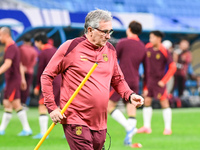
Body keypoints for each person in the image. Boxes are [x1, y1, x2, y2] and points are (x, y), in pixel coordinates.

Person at [41, 9, 144, 150]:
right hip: (75, 119)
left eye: (110, 32)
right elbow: (47, 76)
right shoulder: (71, 47)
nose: (108, 36)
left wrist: (130, 95)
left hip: (100, 123)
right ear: (90, 30)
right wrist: (52, 108)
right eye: (105, 32)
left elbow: (118, 79)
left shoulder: (110, 50)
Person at [107, 21, 148, 146]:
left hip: (121, 80)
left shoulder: (123, 43)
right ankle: (129, 140)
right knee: (131, 109)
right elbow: (147, 69)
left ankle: (129, 128)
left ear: (129, 29)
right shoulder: (142, 46)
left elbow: (113, 59)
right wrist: (145, 86)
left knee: (108, 106)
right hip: (135, 80)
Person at [137, 31, 177, 135]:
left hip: (159, 81)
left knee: (164, 102)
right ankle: (147, 127)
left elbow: (173, 67)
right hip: (149, 80)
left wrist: (164, 81)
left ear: (159, 39)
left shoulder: (164, 51)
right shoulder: (147, 47)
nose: (150, 39)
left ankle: (168, 128)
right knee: (147, 101)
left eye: (152, 37)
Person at [0, 27, 32, 136]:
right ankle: (2, 129)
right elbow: (19, 64)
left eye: (0, 35)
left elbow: (8, 64)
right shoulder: (13, 47)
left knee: (15, 103)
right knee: (6, 103)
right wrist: (22, 78)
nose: (0, 38)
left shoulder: (11, 47)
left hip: (13, 80)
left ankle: (27, 129)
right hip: (12, 80)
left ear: (6, 35)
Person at [32, 32, 61, 139]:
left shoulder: (43, 53)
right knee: (59, 107)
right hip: (59, 81)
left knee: (42, 106)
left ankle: (44, 134)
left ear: (39, 41)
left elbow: (41, 71)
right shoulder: (55, 50)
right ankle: (70, 133)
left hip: (50, 83)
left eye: (35, 42)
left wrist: (37, 86)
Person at [19, 34, 38, 107]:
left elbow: (18, 60)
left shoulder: (20, 48)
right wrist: (28, 67)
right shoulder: (33, 50)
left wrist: (23, 67)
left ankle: (18, 103)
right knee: (26, 88)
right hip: (30, 70)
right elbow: (34, 61)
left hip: (21, 70)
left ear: (23, 41)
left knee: (19, 87)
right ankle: (23, 103)